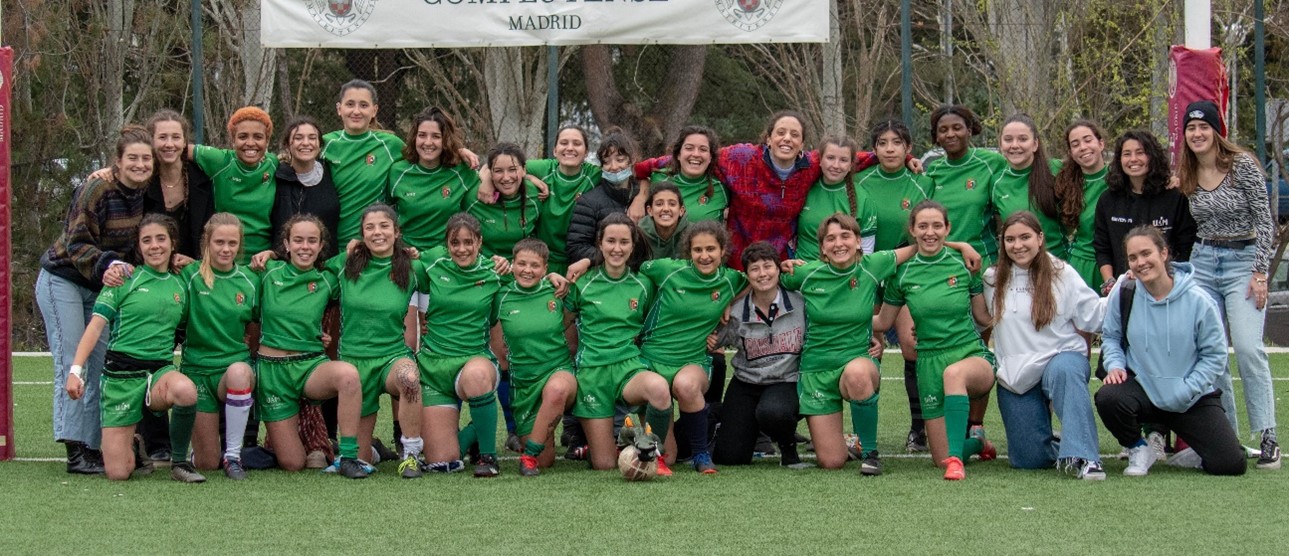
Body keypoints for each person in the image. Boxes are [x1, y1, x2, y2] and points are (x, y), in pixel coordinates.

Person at [633, 110, 904, 269]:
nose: (787, 138)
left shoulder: (811, 165)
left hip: (781, 263)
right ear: (768, 137)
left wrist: (900, 159)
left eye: (794, 135)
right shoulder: (739, 158)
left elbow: (854, 158)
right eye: (781, 132)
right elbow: (678, 160)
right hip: (736, 258)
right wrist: (642, 191)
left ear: (803, 144)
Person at [38, 126, 156, 475]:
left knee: (102, 366)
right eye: (131, 158)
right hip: (66, 280)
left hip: (102, 286)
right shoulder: (97, 188)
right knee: (73, 359)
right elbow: (76, 243)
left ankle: (94, 446)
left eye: (145, 159)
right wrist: (109, 264)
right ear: (116, 163)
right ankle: (75, 450)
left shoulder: (144, 191)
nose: (139, 164)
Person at [1176, 100, 1280, 469]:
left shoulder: (1242, 166)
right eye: (1191, 128)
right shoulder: (1186, 173)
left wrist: (1260, 272)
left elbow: (1266, 222)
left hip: (1243, 262)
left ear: (1217, 131)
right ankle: (1228, 437)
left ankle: (1268, 435)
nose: (1197, 134)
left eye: (1204, 127)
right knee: (1213, 354)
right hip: (1203, 262)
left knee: (1250, 349)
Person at [1094, 225, 1246, 476]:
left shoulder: (1199, 300)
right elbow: (1111, 337)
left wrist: (1186, 390)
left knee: (1230, 464)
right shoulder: (1125, 292)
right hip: (1143, 388)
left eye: (1146, 253)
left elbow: (1214, 356)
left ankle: (1196, 450)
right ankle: (1139, 448)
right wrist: (1115, 366)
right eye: (1133, 257)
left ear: (1164, 253)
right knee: (1109, 398)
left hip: (1188, 396)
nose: (1140, 262)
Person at [64, 214, 204, 482]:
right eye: (147, 240)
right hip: (121, 376)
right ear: (138, 246)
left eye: (161, 239)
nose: (155, 246)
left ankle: (180, 462)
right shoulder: (123, 279)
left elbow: (214, 269)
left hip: (158, 372)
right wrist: (75, 370)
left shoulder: (182, 282)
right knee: (119, 473)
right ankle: (134, 447)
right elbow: (94, 328)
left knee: (186, 391)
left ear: (173, 243)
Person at [875, 201, 995, 480]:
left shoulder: (965, 264)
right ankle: (977, 443)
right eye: (923, 226)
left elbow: (983, 317)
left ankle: (957, 462)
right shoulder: (902, 273)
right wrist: (840, 318)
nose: (930, 232)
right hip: (928, 362)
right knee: (939, 458)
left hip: (969, 354)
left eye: (937, 226)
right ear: (913, 230)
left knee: (954, 374)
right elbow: (883, 322)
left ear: (947, 229)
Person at [984, 212, 1107, 479]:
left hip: (1060, 358)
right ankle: (1056, 444)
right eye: (1010, 239)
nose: (1018, 245)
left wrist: (1125, 288)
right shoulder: (993, 279)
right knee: (1028, 460)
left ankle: (1086, 458)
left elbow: (1094, 315)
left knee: (1066, 370)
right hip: (1017, 374)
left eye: (1025, 237)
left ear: (1040, 238)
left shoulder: (1063, 274)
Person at [253, 215, 367, 478]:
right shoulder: (267, 271)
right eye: (298, 240)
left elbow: (368, 250)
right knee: (292, 463)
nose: (305, 247)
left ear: (320, 246)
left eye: (312, 241)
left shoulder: (327, 278)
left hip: (310, 366)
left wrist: (357, 243)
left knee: (348, 375)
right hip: (272, 372)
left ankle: (348, 457)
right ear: (286, 244)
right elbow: (228, 274)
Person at [564, 213, 674, 473]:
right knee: (604, 465)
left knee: (658, 388)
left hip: (628, 367)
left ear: (633, 245)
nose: (617, 248)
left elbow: (651, 326)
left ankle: (651, 451)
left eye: (624, 242)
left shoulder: (644, 284)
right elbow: (564, 323)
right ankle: (618, 438)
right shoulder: (582, 282)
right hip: (592, 372)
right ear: (599, 243)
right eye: (610, 241)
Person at [635, 221, 748, 473]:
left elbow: (757, 280)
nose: (704, 256)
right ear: (689, 251)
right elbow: (638, 268)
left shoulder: (731, 279)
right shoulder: (668, 270)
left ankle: (701, 454)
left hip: (692, 359)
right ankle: (638, 436)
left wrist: (731, 303)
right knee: (669, 457)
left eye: (711, 249)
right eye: (698, 250)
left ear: (722, 251)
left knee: (685, 386)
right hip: (652, 359)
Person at [327, 204, 426, 478]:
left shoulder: (414, 267)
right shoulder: (343, 265)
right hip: (354, 363)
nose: (377, 232)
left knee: (409, 377)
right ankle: (373, 451)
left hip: (392, 356)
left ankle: (411, 455)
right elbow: (311, 285)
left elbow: (448, 266)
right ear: (361, 235)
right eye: (369, 227)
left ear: (397, 232)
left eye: (384, 226)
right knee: (358, 459)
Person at [854, 119, 933, 453]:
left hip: (904, 278)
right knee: (865, 350)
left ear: (908, 148)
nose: (889, 149)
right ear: (874, 150)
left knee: (913, 348)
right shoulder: (857, 182)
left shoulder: (922, 183)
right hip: (867, 277)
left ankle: (918, 430)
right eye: (883, 143)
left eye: (896, 142)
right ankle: (861, 433)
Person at [416, 213, 507, 477]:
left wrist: (555, 280)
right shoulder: (431, 264)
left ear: (480, 242)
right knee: (442, 461)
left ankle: (488, 457)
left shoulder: (495, 272)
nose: (462, 249)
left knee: (477, 377)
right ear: (446, 244)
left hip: (474, 360)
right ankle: (474, 433)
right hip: (433, 367)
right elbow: (398, 265)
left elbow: (531, 277)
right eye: (455, 243)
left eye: (469, 242)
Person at [708, 242, 806, 467]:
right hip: (747, 382)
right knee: (729, 458)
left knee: (773, 411)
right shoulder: (735, 311)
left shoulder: (800, 301)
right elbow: (712, 339)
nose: (762, 274)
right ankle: (722, 421)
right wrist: (709, 340)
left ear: (779, 269)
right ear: (747, 275)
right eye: (755, 269)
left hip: (786, 380)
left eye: (768, 266)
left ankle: (788, 447)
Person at [177, 213, 259, 480]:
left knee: (238, 371)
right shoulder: (188, 276)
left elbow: (258, 326)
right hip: (197, 371)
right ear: (207, 243)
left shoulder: (250, 280)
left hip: (231, 370)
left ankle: (233, 456)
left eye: (232, 243)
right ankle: (199, 451)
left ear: (240, 245)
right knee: (206, 463)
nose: (226, 249)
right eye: (219, 242)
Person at [494, 238, 577, 476]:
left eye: (535, 266)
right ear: (512, 264)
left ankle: (528, 455)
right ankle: (537, 450)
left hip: (558, 371)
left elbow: (579, 314)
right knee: (546, 460)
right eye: (521, 264)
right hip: (524, 383)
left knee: (557, 390)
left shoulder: (557, 291)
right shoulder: (501, 295)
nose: (527, 270)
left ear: (545, 268)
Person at [480, 125, 598, 274]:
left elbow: (626, 170)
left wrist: (638, 198)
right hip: (542, 259)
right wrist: (487, 181)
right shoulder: (545, 168)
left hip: (577, 259)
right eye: (563, 143)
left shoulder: (594, 174)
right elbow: (500, 164)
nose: (569, 148)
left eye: (576, 143)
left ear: (586, 152)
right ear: (554, 150)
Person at [1094, 130, 1197, 296]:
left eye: (1140, 153)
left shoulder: (1174, 197)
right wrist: (1110, 283)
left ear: (1152, 156)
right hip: (1124, 289)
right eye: (1127, 154)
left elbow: (1185, 247)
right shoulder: (1108, 200)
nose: (1133, 159)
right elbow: (1102, 247)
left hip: (1166, 288)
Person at [187, 106, 278, 263]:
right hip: (224, 256)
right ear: (232, 140)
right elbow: (177, 148)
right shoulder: (220, 161)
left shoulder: (274, 164)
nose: (250, 143)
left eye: (258, 137)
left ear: (267, 140)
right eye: (242, 137)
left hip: (263, 259)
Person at [322, 79, 406, 244]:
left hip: (374, 241)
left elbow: (427, 155)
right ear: (339, 109)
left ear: (374, 110)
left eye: (364, 105)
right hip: (334, 241)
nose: (356, 111)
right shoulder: (325, 143)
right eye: (350, 104)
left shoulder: (390, 144)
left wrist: (460, 152)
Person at [926, 105, 1007, 264]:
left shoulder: (992, 163)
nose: (950, 134)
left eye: (957, 128)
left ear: (969, 130)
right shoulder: (932, 171)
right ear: (936, 136)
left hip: (984, 260)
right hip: (944, 261)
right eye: (943, 130)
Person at [991, 114, 1066, 257]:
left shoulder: (1057, 170)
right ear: (1000, 144)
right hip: (1019, 266)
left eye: (1023, 139)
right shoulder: (996, 182)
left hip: (1057, 263)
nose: (1014, 145)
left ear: (1035, 144)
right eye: (1008, 140)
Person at [566, 127, 643, 264]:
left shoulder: (643, 196)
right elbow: (576, 247)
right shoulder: (588, 202)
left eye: (620, 159)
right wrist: (613, 258)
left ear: (631, 160)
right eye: (606, 162)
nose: (613, 167)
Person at [795, 135, 878, 261]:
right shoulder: (803, 189)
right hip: (804, 272)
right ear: (820, 161)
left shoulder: (862, 198)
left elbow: (866, 250)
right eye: (830, 158)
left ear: (851, 165)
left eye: (843, 160)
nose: (836, 165)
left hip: (843, 275)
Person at [270, 116, 341, 259]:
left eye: (312, 138)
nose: (306, 143)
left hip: (326, 265)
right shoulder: (278, 178)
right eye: (298, 138)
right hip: (287, 266)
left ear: (320, 144)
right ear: (287, 145)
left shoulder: (332, 171)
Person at [632, 125, 728, 223]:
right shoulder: (659, 178)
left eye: (703, 149)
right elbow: (638, 176)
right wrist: (640, 198)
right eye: (689, 148)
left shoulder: (722, 187)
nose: (695, 154)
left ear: (711, 157)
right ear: (678, 154)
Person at [1054, 120, 1109, 290]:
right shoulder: (1067, 183)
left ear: (1100, 143)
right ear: (1070, 152)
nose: (1083, 147)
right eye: (1075, 144)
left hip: (1113, 264)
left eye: (1088, 140)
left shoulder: (1119, 178)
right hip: (1081, 265)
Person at [466, 142, 541, 258]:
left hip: (522, 270)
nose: (506, 178)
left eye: (512, 169)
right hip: (485, 268)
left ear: (524, 170)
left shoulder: (536, 195)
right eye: (498, 171)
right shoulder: (473, 198)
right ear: (490, 173)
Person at [638, 182, 690, 259]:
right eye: (659, 204)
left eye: (672, 204)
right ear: (650, 210)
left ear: (681, 211)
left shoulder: (693, 234)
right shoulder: (638, 235)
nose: (666, 209)